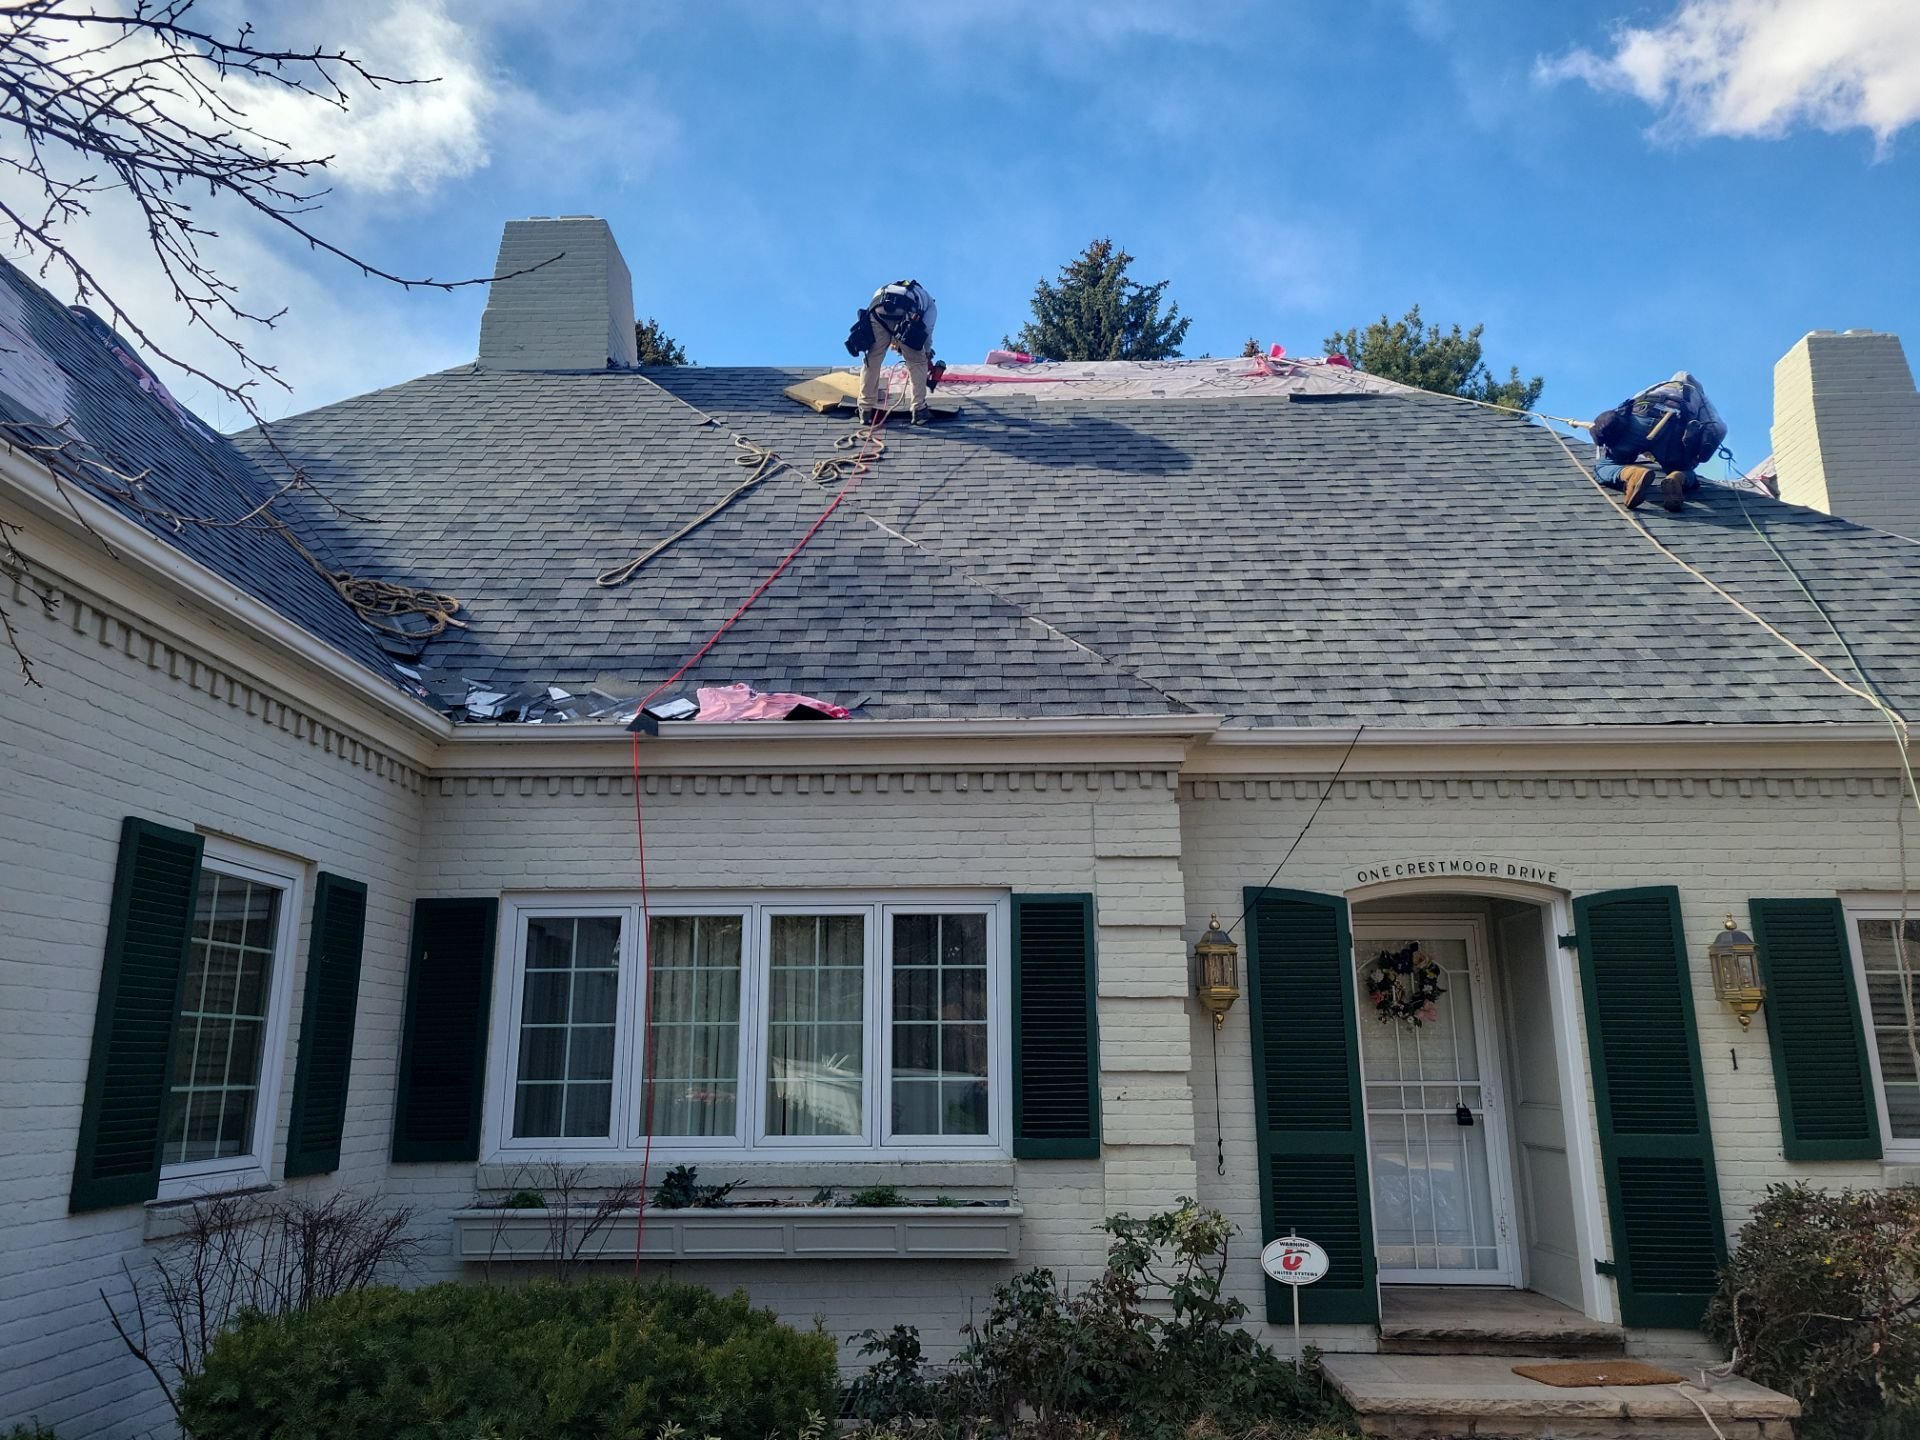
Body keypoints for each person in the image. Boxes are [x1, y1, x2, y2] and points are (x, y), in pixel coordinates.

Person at [1590, 371, 1727, 512]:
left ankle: (1631, 474)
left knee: (1606, 465)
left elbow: (1626, 409)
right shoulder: (1699, 396)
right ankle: (1677, 478)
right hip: (1673, 429)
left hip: (1639, 419)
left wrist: (1606, 432)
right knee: (1684, 470)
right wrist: (1700, 456)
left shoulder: (1659, 386)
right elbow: (1718, 428)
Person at [845, 279, 937, 424]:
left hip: (878, 309)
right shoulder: (930, 303)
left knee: (873, 359)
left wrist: (898, 342)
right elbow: (926, 331)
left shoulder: (889, 287)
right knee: (917, 362)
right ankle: (919, 410)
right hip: (906, 311)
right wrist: (926, 352)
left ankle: (865, 409)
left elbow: (891, 328)